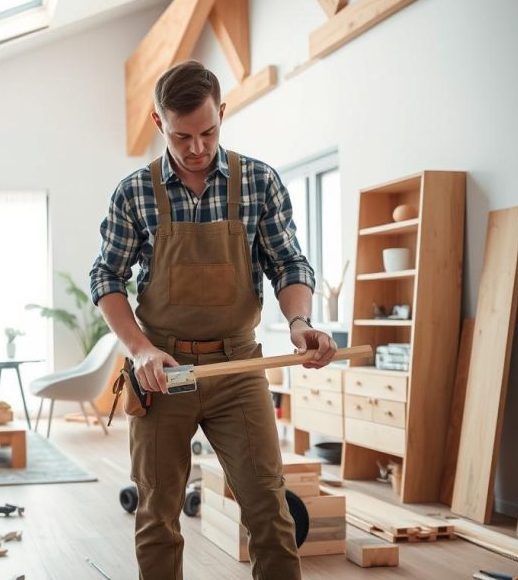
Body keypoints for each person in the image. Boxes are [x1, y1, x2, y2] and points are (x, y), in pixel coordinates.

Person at [90, 60, 337, 580]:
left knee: (269, 511)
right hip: (163, 372)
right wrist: (140, 351)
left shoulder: (259, 181)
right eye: (182, 136)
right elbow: (106, 279)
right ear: (159, 124)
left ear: (222, 114)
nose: (197, 148)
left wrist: (298, 322)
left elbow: (289, 264)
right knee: (157, 515)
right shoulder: (134, 192)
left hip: (238, 368)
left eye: (208, 132)